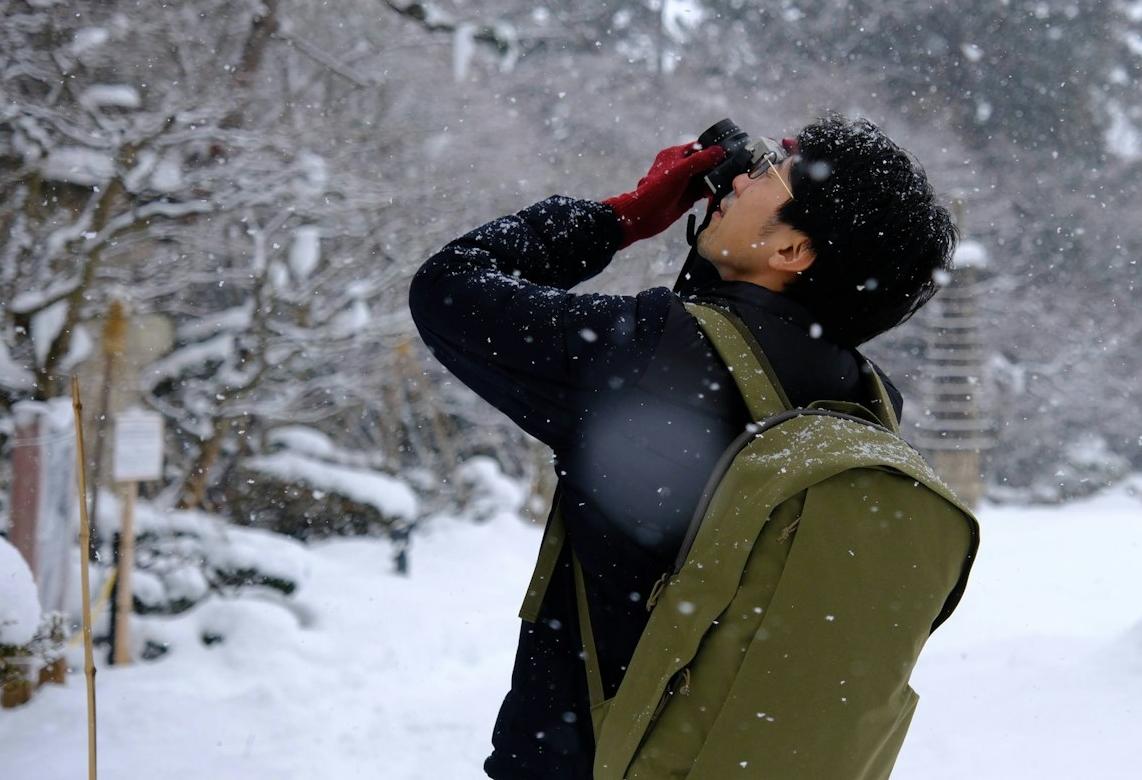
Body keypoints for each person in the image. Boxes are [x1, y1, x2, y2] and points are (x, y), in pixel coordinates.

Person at [409, 112, 960, 779]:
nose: (743, 176)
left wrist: (623, 216)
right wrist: (715, 254)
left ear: (791, 251)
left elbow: (448, 287)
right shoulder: (871, 403)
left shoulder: (650, 348)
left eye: (770, 170)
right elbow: (725, 353)